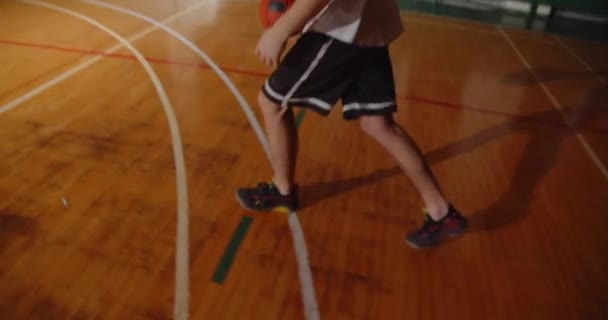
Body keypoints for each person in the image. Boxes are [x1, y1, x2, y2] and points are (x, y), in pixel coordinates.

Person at [235, 0, 468, 248]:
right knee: (377, 124)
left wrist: (280, 29)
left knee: (272, 104)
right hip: (372, 27)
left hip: (340, 32)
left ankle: (282, 192)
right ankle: (442, 212)